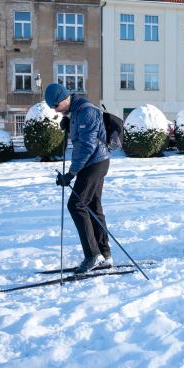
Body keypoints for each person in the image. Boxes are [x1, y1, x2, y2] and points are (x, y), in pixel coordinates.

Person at [45, 83, 112, 274]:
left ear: (65, 98)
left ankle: (93, 255)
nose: (55, 110)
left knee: (76, 205)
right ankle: (105, 256)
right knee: (92, 206)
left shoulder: (86, 112)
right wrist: (69, 122)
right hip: (93, 162)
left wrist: (71, 174)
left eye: (56, 106)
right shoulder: (76, 112)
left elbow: (86, 147)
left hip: (94, 163)